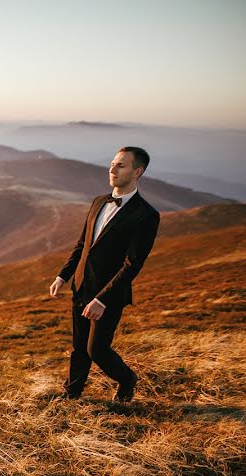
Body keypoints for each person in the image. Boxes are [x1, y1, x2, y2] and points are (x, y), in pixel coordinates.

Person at [50, 146, 160, 402]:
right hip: (80, 285)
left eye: (121, 165)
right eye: (112, 163)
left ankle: (127, 379)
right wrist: (63, 276)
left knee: (96, 349)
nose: (112, 169)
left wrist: (102, 299)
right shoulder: (99, 202)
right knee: (79, 347)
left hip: (108, 294)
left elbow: (133, 264)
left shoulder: (146, 215)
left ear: (137, 171)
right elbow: (82, 245)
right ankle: (72, 394)